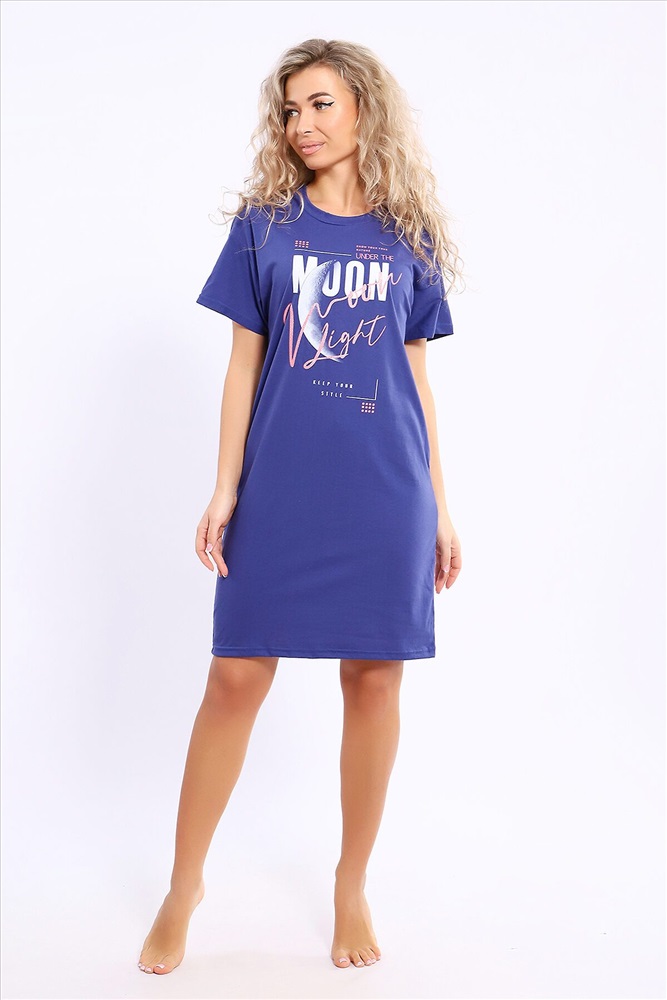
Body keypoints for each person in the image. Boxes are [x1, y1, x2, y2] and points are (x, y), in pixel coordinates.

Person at [137, 37, 463, 976]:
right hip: (282, 488)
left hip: (385, 492)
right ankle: (183, 884)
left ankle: (350, 884)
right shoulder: (263, 230)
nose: (302, 124)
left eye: (320, 103)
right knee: (235, 676)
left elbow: (415, 382)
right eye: (289, 110)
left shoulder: (408, 237)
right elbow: (242, 369)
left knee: (375, 680)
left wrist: (441, 507)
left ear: (364, 108)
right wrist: (225, 486)